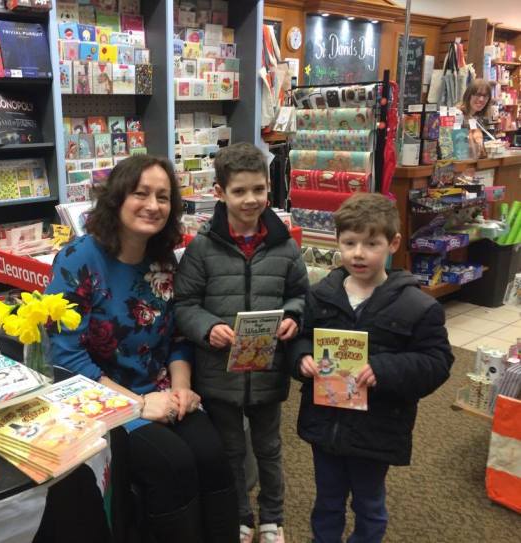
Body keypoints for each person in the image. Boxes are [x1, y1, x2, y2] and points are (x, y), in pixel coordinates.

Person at [46, 155, 238, 542]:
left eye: (163, 197)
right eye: (141, 193)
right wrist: (137, 404)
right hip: (103, 400)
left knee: (213, 454)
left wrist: (181, 389)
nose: (153, 205)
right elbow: (65, 356)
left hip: (161, 392)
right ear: (117, 198)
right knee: (172, 464)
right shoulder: (78, 259)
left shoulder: (162, 261)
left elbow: (177, 337)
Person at [287, 193, 454, 543]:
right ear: (338, 241)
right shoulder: (321, 294)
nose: (358, 254)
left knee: (369, 504)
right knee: (327, 499)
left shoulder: (417, 306)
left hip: (377, 427)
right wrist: (301, 358)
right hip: (325, 423)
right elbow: (301, 337)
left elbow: (437, 362)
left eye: (371, 244)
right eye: (349, 243)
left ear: (393, 243)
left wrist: (385, 369)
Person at [175, 142, 309, 543]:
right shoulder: (202, 248)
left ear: (269, 188)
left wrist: (293, 316)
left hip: (268, 370)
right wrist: (208, 328)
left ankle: (272, 517)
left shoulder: (285, 246)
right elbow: (185, 304)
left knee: (269, 448)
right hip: (219, 373)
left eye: (259, 189)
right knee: (230, 450)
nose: (251, 199)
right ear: (219, 193)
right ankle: (240, 516)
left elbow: (301, 295)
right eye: (239, 191)